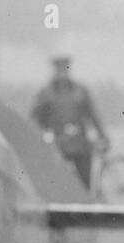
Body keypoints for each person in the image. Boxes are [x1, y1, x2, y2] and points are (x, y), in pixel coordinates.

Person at [31, 55, 109, 189]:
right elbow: (36, 118)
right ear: (55, 71)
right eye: (59, 70)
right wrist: (41, 137)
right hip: (58, 145)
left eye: (65, 69)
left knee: (85, 184)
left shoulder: (80, 91)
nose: (62, 73)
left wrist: (102, 136)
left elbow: (92, 115)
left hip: (80, 144)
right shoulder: (46, 94)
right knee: (58, 184)